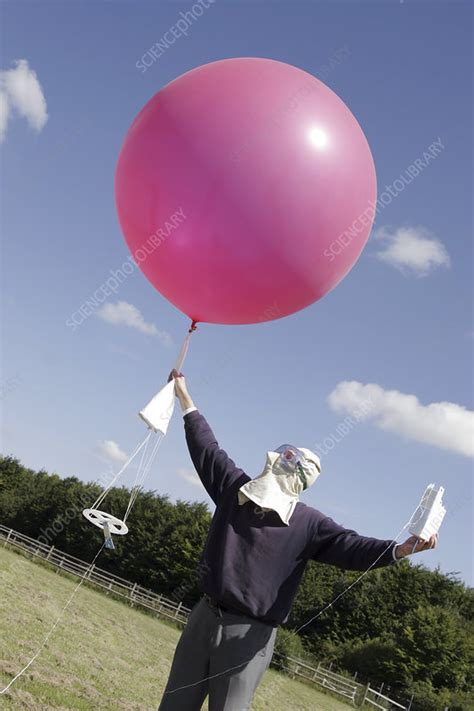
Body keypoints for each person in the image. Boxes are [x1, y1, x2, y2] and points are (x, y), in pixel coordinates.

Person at [158, 370, 438, 711]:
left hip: (250, 635)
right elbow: (206, 447)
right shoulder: (235, 489)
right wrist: (184, 396)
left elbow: (353, 547)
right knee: (174, 705)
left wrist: (401, 549)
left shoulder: (309, 523)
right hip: (204, 615)